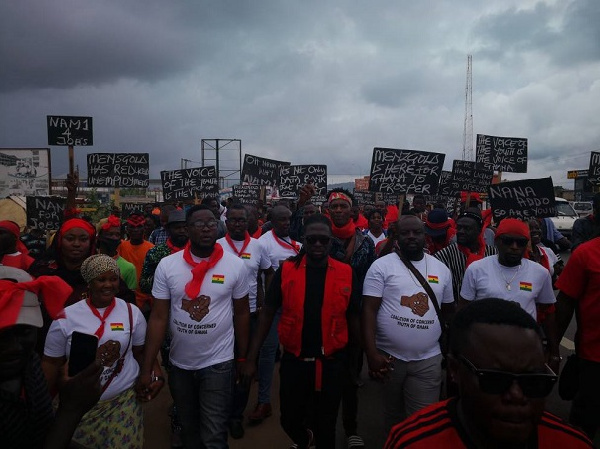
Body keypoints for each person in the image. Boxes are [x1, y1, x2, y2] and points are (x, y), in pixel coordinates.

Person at [384, 298, 592, 449]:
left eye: (534, 382)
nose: (517, 396)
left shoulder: (573, 443)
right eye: (495, 380)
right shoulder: (413, 442)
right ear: (455, 370)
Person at [242, 214, 359, 449]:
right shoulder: (286, 270)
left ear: (330, 241)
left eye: (323, 240)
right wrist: (251, 358)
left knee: (326, 425)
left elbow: (355, 318)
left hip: (332, 363)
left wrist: (357, 361)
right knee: (289, 419)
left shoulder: (346, 272)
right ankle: (306, 440)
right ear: (303, 240)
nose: (317, 245)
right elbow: (267, 313)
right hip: (295, 361)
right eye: (312, 239)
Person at [140, 205, 250, 449]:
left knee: (213, 436)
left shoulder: (235, 265)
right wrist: (147, 368)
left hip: (219, 364)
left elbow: (242, 313)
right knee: (189, 432)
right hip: (180, 365)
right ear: (187, 230)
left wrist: (243, 359)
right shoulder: (168, 266)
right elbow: (158, 317)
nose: (207, 228)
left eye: (211, 223)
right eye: (199, 224)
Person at [42, 255, 156, 448]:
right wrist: (41, 401)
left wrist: (151, 375)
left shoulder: (131, 313)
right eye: (101, 279)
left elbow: (139, 352)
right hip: (79, 407)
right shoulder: (67, 317)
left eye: (113, 279)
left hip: (122, 402)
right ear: (89, 282)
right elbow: (52, 362)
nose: (108, 285)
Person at [363, 215, 454, 432]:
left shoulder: (441, 269)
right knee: (393, 418)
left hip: (428, 359)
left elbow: (449, 312)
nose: (411, 237)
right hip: (389, 358)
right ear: (396, 237)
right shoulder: (381, 266)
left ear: (425, 236)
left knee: (423, 422)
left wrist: (451, 351)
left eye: (417, 232)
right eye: (405, 233)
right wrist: (371, 354)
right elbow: (368, 310)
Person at [0, 265, 104, 449]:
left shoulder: (30, 364)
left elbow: (40, 432)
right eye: (1, 335)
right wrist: (71, 409)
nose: (13, 347)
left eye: (24, 330)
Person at [459, 218, 560, 373]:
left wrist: (554, 353)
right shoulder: (477, 269)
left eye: (520, 243)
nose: (514, 247)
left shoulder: (540, 273)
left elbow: (549, 312)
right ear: (498, 241)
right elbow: (463, 310)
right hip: (484, 350)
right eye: (508, 241)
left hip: (524, 351)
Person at [217, 204, 273, 439]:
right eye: (233, 220)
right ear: (226, 222)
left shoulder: (259, 246)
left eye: (242, 219)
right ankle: (219, 413)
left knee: (245, 367)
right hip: (221, 316)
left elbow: (269, 272)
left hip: (249, 316)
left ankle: (236, 416)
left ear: (249, 220)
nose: (238, 223)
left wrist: (265, 300)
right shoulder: (217, 246)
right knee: (221, 367)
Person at [328, 188, 376, 449]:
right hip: (324, 318)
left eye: (342, 206)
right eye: (333, 207)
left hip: (353, 319)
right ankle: (317, 428)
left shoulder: (365, 244)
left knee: (350, 376)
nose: (337, 211)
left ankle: (351, 428)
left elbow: (370, 283)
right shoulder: (319, 239)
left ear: (352, 210)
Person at [139, 209, 189, 447]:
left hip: (197, 320)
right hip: (167, 321)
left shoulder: (198, 251)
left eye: (184, 226)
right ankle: (179, 421)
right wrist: (167, 279)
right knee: (177, 372)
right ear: (168, 230)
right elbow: (144, 282)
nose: (182, 231)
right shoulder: (157, 253)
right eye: (177, 227)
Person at [250, 204, 302, 425]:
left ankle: (300, 397)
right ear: (272, 220)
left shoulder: (298, 242)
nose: (286, 223)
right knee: (268, 351)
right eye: (281, 220)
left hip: (296, 306)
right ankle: (264, 401)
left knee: (298, 350)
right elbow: (259, 275)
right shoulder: (263, 244)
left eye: (289, 219)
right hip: (273, 308)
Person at [556, 235, 600, 439]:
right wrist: (550, 349)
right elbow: (565, 304)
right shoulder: (585, 254)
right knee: (584, 427)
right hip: (593, 360)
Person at [434, 210, 498, 302]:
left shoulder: (493, 253)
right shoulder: (444, 256)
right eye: (459, 228)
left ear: (479, 230)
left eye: (467, 228)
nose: (461, 232)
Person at [118, 212, 155, 313]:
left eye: (139, 227)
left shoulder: (151, 248)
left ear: (144, 228)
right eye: (132, 227)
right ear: (127, 229)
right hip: (124, 296)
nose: (135, 230)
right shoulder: (121, 246)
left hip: (146, 300)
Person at [97, 215, 138, 290]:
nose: (114, 238)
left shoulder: (129, 268)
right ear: (100, 236)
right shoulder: (88, 262)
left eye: (117, 235)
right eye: (110, 234)